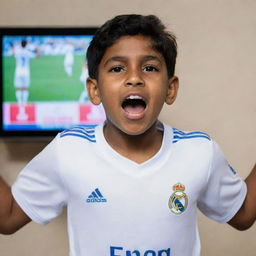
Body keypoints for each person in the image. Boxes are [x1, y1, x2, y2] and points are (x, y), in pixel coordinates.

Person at [0, 14, 255, 256]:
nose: (134, 78)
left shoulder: (200, 152)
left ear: (170, 89)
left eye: (150, 68)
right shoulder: (68, 150)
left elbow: (243, 214)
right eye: (117, 69)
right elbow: (8, 216)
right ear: (94, 89)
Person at [13, 39, 39, 120]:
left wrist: (14, 46)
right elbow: (36, 56)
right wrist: (38, 50)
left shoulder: (18, 51)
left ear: (21, 44)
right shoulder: (27, 52)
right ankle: (24, 102)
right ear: (26, 44)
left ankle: (19, 102)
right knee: (25, 88)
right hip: (26, 72)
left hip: (18, 71)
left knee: (18, 88)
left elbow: (13, 53)